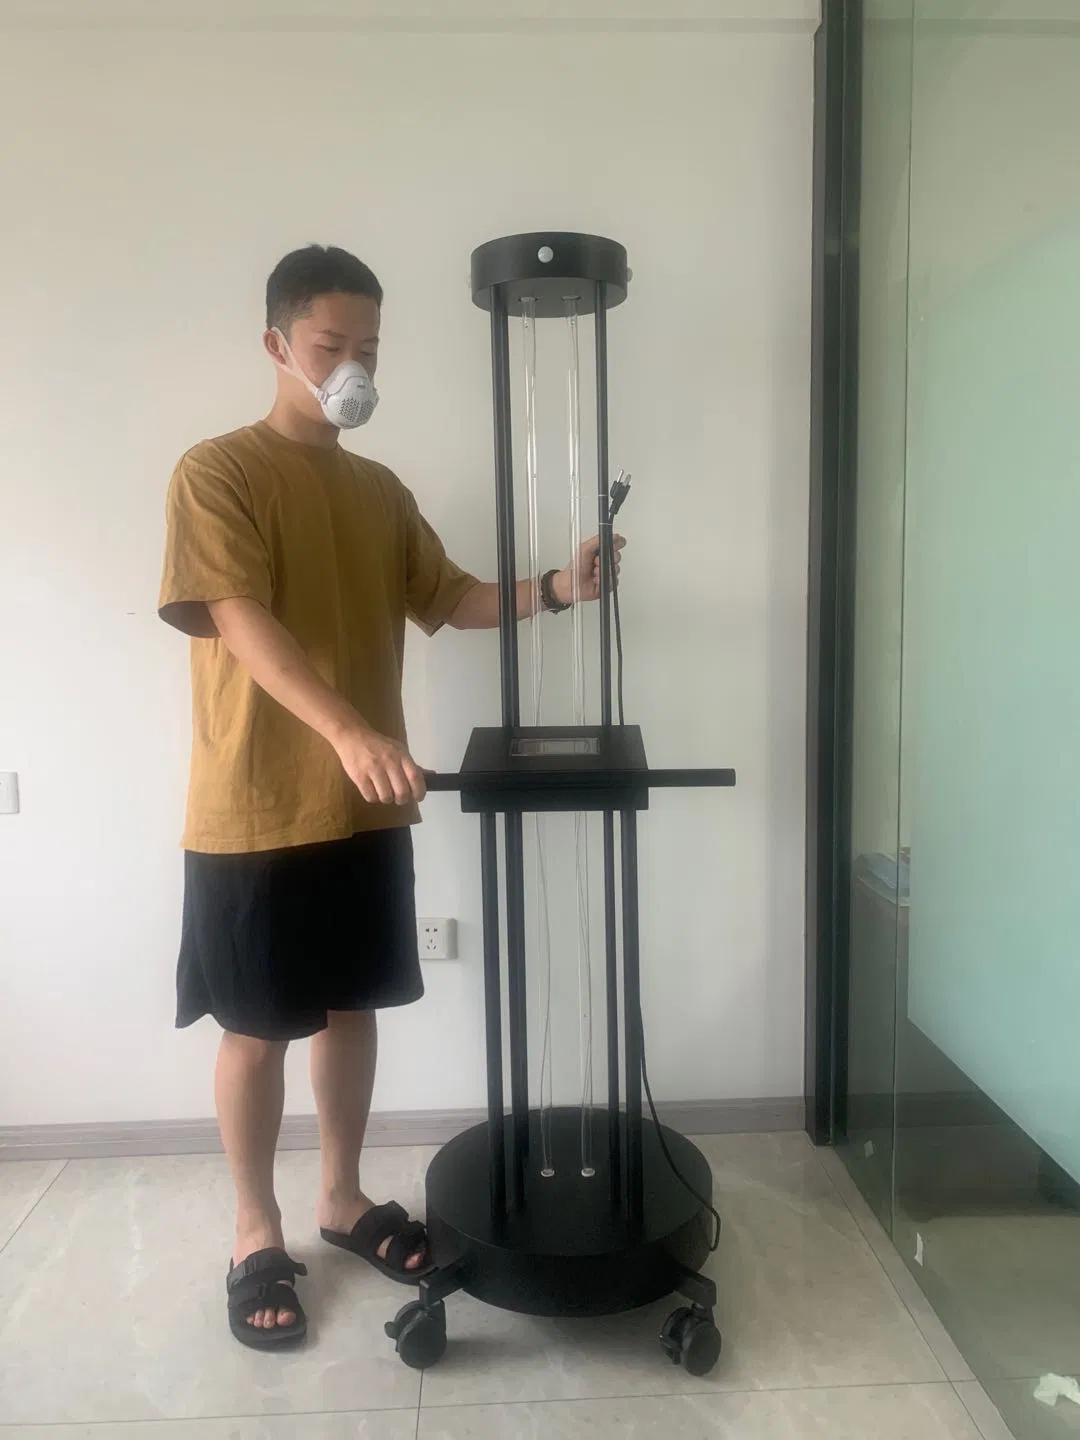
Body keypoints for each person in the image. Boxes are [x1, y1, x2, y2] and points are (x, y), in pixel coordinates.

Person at [158, 244, 622, 1350]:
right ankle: (255, 1230)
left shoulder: (378, 490)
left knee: (350, 1008)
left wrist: (559, 588)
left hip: (367, 803)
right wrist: (348, 731)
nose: (353, 367)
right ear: (277, 345)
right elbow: (240, 620)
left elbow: (449, 597)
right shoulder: (217, 471)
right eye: (331, 346)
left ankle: (341, 1197)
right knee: (256, 1027)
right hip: (256, 803)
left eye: (369, 347)